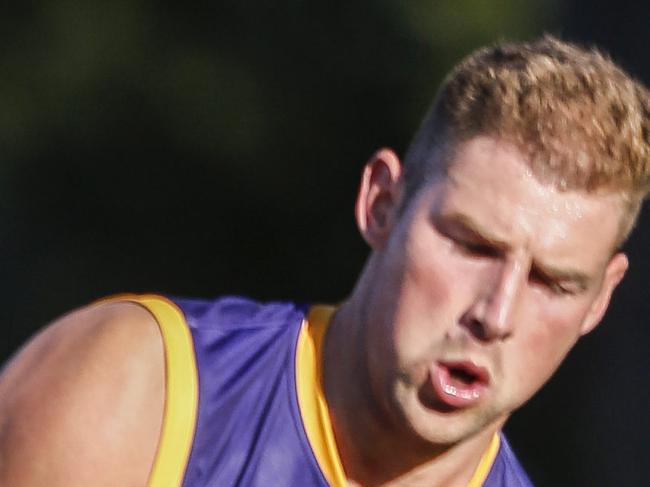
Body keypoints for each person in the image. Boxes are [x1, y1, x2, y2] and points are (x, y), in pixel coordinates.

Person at [1, 35, 649, 487]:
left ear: (600, 300)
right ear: (382, 203)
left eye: (553, 282)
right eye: (472, 244)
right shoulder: (132, 395)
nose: (495, 312)